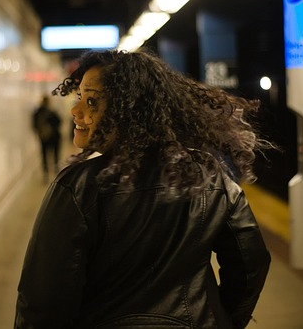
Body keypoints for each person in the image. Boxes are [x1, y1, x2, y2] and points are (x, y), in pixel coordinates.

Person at [16, 49, 273, 328]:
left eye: (91, 101)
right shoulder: (210, 177)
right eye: (79, 97)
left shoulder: (77, 187)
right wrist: (222, 320)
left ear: (128, 110)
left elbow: (44, 302)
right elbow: (251, 264)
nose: (75, 111)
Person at [32, 95, 62, 177]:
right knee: (55, 154)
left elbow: (34, 125)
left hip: (44, 137)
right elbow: (59, 122)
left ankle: (46, 171)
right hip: (54, 137)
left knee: (44, 154)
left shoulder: (37, 113)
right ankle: (55, 169)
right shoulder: (52, 112)